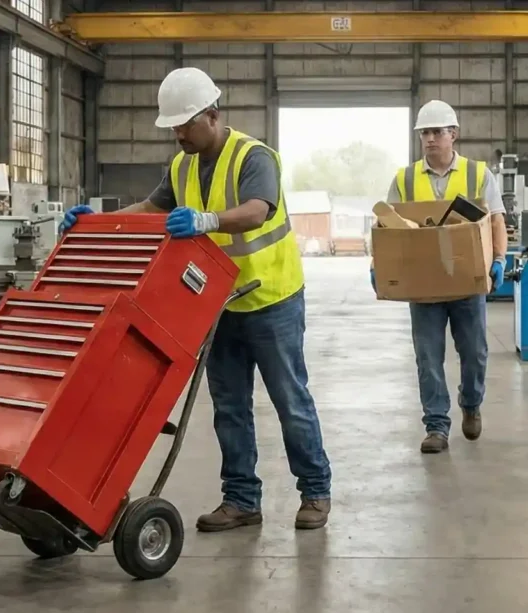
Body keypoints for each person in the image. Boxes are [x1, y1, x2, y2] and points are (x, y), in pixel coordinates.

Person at [60, 67, 332, 532]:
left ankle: (315, 491)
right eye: (174, 126)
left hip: (272, 300)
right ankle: (242, 499)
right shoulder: (181, 166)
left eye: (186, 124)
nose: (179, 133)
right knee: (229, 406)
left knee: (290, 399)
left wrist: (206, 221)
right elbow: (150, 209)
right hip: (218, 305)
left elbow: (256, 211)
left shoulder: (254, 156)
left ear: (213, 114)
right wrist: (95, 220)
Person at [370, 99, 508, 454]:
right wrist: (378, 265)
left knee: (474, 353)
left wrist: (500, 259)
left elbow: (496, 220)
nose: (430, 139)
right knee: (428, 357)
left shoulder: (479, 175)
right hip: (425, 284)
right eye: (424, 133)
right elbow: (387, 224)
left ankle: (471, 403)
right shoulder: (404, 179)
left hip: (467, 281)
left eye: (436, 132)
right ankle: (436, 426)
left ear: (453, 135)